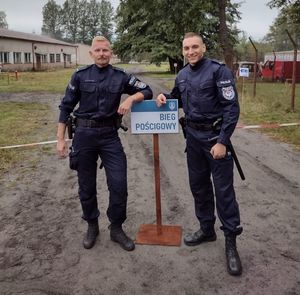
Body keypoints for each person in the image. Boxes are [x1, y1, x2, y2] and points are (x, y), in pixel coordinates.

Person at [156, 32, 243, 275]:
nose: (191, 51)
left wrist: (223, 142)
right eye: (187, 48)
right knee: (199, 187)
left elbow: (231, 108)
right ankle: (207, 229)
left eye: (195, 46)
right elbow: (179, 98)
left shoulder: (218, 71)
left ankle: (231, 243)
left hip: (215, 141)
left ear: (203, 47)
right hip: (193, 140)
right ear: (182, 50)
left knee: (223, 192)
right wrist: (166, 97)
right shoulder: (182, 74)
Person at [57, 36, 153, 251]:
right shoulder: (80, 76)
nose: (102, 54)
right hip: (84, 135)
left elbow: (147, 90)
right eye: (98, 50)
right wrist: (61, 139)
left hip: (109, 136)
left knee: (119, 184)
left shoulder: (120, 77)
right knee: (86, 186)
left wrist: (130, 99)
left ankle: (116, 227)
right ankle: (92, 225)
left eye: (105, 50)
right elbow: (65, 107)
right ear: (91, 53)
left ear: (111, 53)